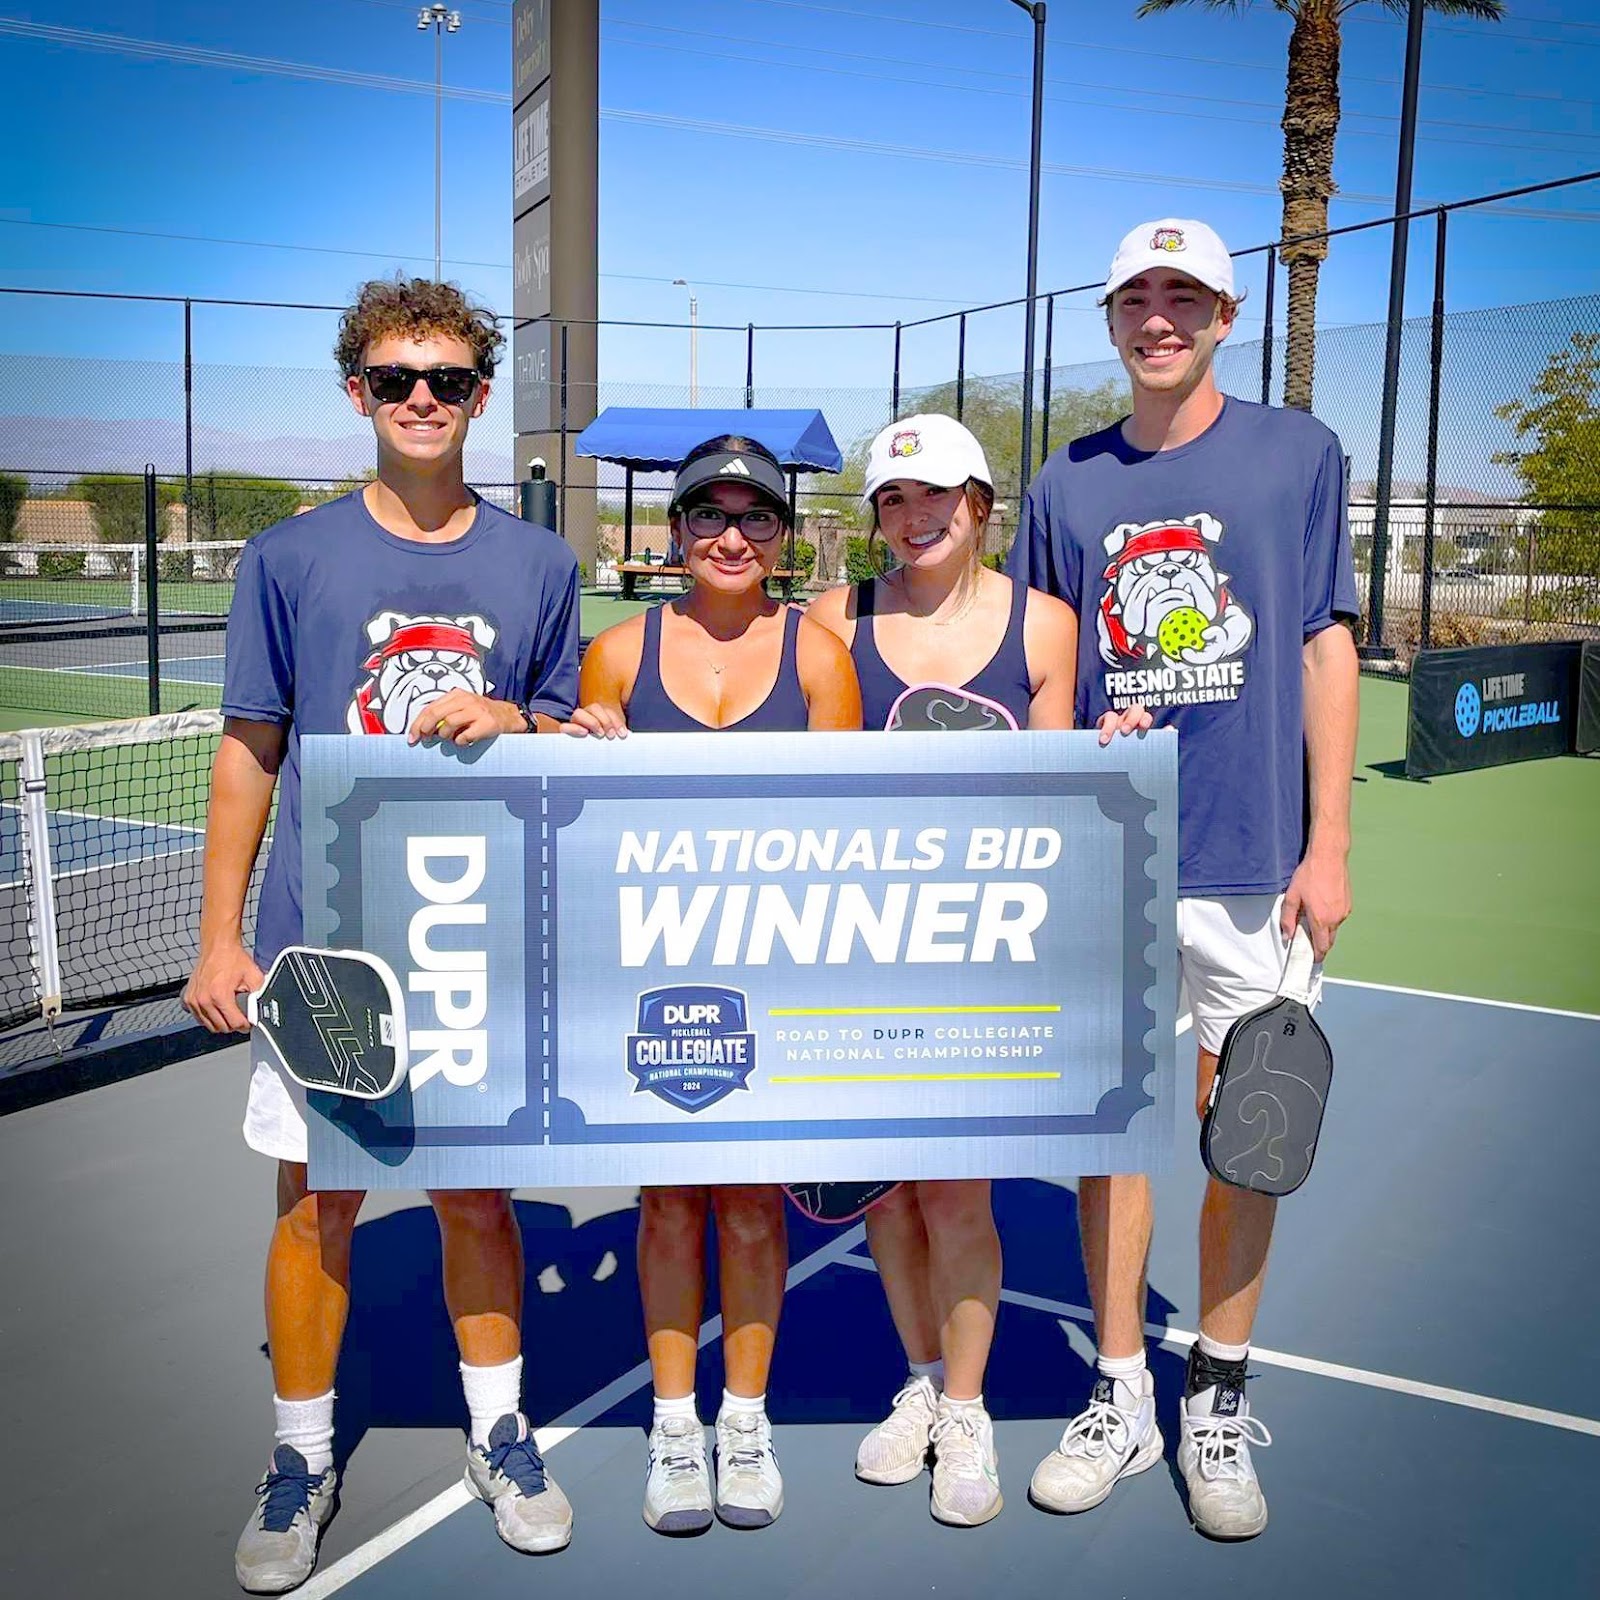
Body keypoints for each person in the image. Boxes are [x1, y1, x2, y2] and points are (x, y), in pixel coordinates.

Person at [183, 277, 581, 1593]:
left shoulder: (541, 565)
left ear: (480, 394)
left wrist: (513, 718)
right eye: (398, 379)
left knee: (477, 1199)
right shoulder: (289, 558)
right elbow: (251, 753)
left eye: (451, 381)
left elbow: (569, 731)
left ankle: (501, 1434)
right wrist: (217, 939)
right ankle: (299, 1458)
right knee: (318, 1205)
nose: (425, 400)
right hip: (322, 954)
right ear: (358, 392)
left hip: (476, 948)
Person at [1009, 218, 1359, 1540]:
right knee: (1110, 1136)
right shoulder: (1065, 484)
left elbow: (1326, 646)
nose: (1159, 317)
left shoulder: (1297, 454)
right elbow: (1046, 668)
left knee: (1253, 1139)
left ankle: (1214, 1395)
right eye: (1136, 298)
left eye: (1184, 297)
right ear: (1112, 319)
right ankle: (1118, 1393)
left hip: (1255, 862)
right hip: (1110, 860)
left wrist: (1328, 844)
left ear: (1224, 314)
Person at [565, 434, 861, 1535]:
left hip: (774, 983)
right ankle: (674, 1424)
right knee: (668, 1209)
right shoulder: (619, 655)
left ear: (784, 535)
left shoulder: (821, 659)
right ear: (675, 531)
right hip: (652, 982)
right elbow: (586, 824)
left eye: (755, 518)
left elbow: (842, 838)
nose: (731, 537)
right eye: (706, 516)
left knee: (747, 1211)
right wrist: (581, 737)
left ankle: (745, 1418)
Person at [808, 414, 1089, 1528]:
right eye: (892, 500)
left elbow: (1064, 796)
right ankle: (920, 1381)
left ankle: (967, 1408)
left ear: (979, 504)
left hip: (982, 963)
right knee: (888, 1193)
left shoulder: (1045, 627)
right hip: (858, 956)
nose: (914, 518)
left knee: (958, 1191)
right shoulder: (834, 619)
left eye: (936, 497)